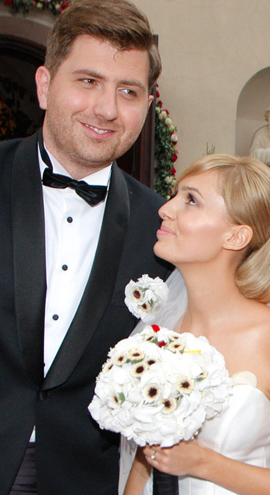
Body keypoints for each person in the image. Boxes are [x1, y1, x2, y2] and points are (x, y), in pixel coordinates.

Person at [0, 1, 172, 493]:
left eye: (128, 91)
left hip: (88, 479)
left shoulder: (165, 228)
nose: (107, 109)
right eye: (88, 81)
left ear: (146, 106)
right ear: (44, 85)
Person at [121, 154, 270, 495]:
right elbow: (142, 467)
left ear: (236, 236)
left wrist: (204, 463)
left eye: (191, 200)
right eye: (175, 195)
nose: (166, 209)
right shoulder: (155, 336)